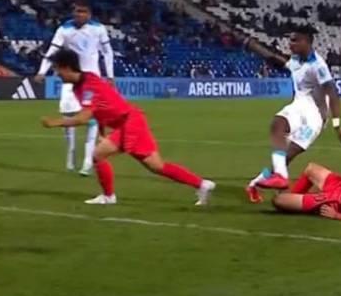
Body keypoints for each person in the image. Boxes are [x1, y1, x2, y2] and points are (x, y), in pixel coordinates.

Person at [41, 48, 215, 206]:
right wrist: (102, 133)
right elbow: (96, 110)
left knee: (98, 155)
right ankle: (201, 184)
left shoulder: (87, 85)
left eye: (57, 69)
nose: (56, 73)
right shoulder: (81, 85)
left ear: (67, 67)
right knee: (157, 166)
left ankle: (108, 196)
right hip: (133, 120)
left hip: (129, 122)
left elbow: (84, 117)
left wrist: (55, 122)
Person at [246, 26, 341, 202]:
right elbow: (280, 60)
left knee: (286, 155)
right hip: (299, 106)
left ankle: (257, 184)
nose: (290, 43)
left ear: (307, 42)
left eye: (295, 40)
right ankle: (274, 179)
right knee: (277, 125)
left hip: (314, 116)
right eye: (290, 39)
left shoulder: (318, 66)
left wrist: (337, 125)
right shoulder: (296, 60)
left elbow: (332, 93)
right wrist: (256, 47)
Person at [35, 2, 115, 176]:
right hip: (71, 80)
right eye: (77, 11)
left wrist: (110, 75)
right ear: (72, 13)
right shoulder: (64, 29)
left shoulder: (98, 29)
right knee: (68, 117)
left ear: (90, 13)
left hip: (92, 80)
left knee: (92, 120)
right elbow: (52, 52)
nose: (80, 15)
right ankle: (70, 159)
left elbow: (107, 52)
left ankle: (87, 163)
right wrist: (42, 72)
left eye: (83, 11)